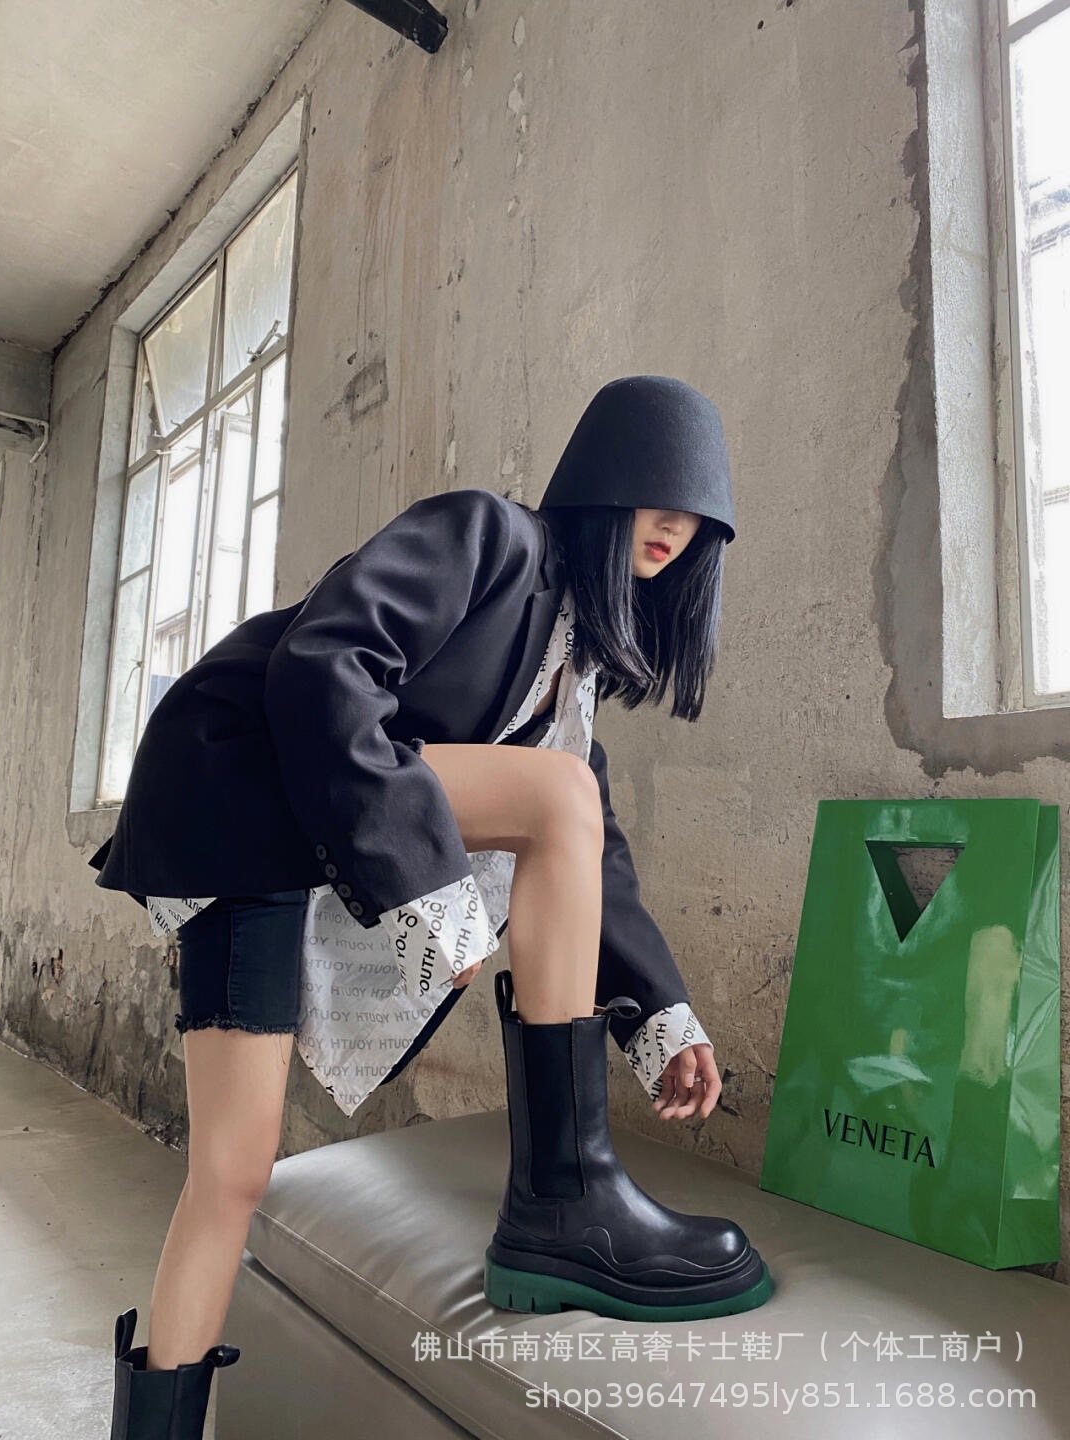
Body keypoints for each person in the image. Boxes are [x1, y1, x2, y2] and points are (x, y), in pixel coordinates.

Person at [95, 375, 772, 1439]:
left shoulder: (571, 687)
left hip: (278, 831)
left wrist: (663, 1017)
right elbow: (325, 663)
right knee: (230, 1166)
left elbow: (592, 853)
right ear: (603, 480)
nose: (676, 527)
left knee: (233, 1170)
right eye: (660, 493)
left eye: (698, 521)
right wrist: (426, 886)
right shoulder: (490, 537)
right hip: (234, 788)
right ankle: (562, 1200)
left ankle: (157, 1425)